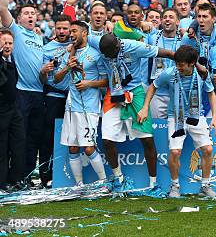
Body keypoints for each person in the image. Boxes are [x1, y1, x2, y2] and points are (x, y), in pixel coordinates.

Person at [92, 33, 175, 190]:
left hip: (135, 92)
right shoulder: (99, 43)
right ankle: (119, 180)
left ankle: (153, 185)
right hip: (114, 94)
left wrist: (188, 62)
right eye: (107, 54)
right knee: (107, 140)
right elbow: (84, 35)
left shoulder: (134, 47)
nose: (107, 56)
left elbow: (167, 53)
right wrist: (72, 46)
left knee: (147, 139)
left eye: (112, 52)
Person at [140, 45, 216, 197]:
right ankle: (175, 186)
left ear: (191, 64)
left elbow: (211, 93)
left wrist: (214, 117)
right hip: (175, 117)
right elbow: (152, 87)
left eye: (181, 64)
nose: (178, 67)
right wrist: (145, 107)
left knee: (208, 150)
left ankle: (205, 186)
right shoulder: (169, 73)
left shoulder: (202, 74)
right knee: (175, 152)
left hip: (197, 116)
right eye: (177, 63)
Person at [0, 0, 45, 186]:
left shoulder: (40, 37)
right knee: (18, 138)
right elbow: (1, 8)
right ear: (19, 18)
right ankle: (10, 177)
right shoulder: (16, 32)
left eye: (33, 13)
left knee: (33, 140)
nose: (30, 15)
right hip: (21, 93)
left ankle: (25, 177)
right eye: (26, 13)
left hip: (40, 93)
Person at [54, 21, 108, 186]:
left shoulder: (96, 54)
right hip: (71, 108)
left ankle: (104, 183)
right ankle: (79, 185)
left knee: (89, 148)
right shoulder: (69, 54)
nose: (71, 34)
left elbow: (107, 81)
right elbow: (56, 79)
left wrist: (89, 84)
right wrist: (66, 68)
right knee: (72, 148)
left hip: (89, 107)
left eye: (74, 31)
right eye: (70, 31)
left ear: (84, 33)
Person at [38, 14, 73, 187]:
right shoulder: (47, 48)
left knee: (72, 137)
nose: (61, 31)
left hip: (74, 98)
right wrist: (43, 71)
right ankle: (46, 176)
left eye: (65, 28)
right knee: (49, 137)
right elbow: (43, 79)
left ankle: (69, 174)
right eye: (58, 28)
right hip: (54, 96)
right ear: (54, 28)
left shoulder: (76, 44)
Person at [0, 32, 25, 191]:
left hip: (14, 108)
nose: (7, 46)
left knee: (18, 142)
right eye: (4, 43)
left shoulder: (13, 61)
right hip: (1, 110)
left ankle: (16, 179)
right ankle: (1, 183)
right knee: (1, 147)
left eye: (10, 43)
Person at [146, 9, 182, 120]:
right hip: (157, 94)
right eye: (165, 17)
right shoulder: (152, 39)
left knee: (176, 132)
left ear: (177, 22)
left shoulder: (184, 40)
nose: (167, 19)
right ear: (161, 21)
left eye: (171, 17)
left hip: (177, 93)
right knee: (158, 131)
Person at [182, 3, 216, 70]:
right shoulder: (188, 37)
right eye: (199, 16)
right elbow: (182, 62)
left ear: (213, 19)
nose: (201, 20)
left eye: (205, 17)